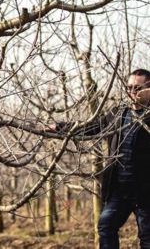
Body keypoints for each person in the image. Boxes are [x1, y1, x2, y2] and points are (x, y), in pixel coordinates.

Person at [52, 69, 150, 248]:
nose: (132, 92)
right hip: (119, 189)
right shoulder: (119, 113)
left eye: (138, 88)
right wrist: (60, 128)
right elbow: (92, 128)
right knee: (105, 226)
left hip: (146, 191)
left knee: (148, 238)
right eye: (129, 87)